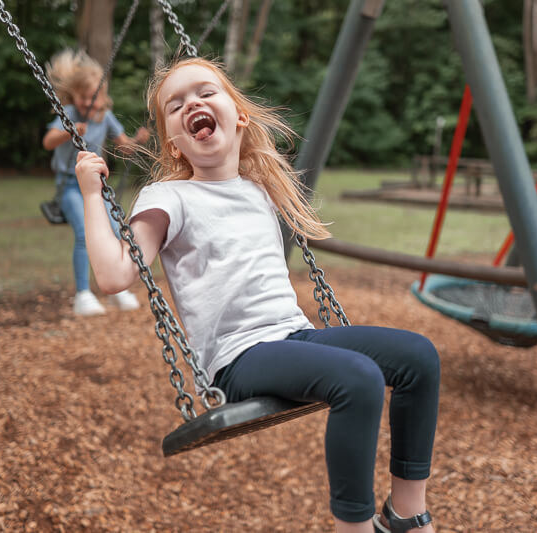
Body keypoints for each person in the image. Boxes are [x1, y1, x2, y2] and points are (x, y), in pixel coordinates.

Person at [75, 57, 440, 533]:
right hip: (237, 358)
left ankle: (407, 514)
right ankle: (354, 527)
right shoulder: (169, 197)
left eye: (206, 93)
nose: (193, 104)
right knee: (358, 378)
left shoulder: (259, 188)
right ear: (173, 142)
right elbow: (113, 276)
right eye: (176, 104)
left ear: (238, 115)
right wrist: (89, 194)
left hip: (293, 336)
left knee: (419, 357)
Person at [42, 48, 150, 316]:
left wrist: (138, 141)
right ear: (73, 95)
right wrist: (69, 131)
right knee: (82, 234)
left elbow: (123, 148)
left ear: (102, 96)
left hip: (99, 187)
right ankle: (83, 295)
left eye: (93, 96)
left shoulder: (105, 117)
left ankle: (117, 290)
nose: (87, 102)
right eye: (82, 96)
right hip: (70, 186)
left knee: (116, 232)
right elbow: (48, 142)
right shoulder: (68, 112)